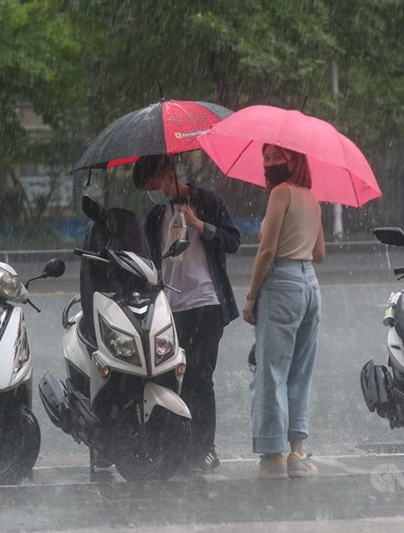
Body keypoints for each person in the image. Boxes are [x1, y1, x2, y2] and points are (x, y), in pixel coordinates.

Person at [132, 154, 241, 472]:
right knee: (167, 379)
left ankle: (205, 447)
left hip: (206, 303)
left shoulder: (208, 200)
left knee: (199, 379)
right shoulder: (155, 217)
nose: (153, 192)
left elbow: (233, 241)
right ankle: (176, 445)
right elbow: (150, 261)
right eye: (147, 189)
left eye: (154, 184)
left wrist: (199, 225)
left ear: (168, 173)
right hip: (169, 307)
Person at [243, 143, 325, 479]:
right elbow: (319, 253)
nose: (270, 162)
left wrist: (251, 297)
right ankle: (297, 453)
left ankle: (272, 455)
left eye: (278, 156)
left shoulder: (280, 193)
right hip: (309, 284)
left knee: (271, 371)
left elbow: (267, 251)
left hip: (282, 282)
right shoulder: (312, 197)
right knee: (299, 373)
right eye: (266, 157)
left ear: (295, 160)